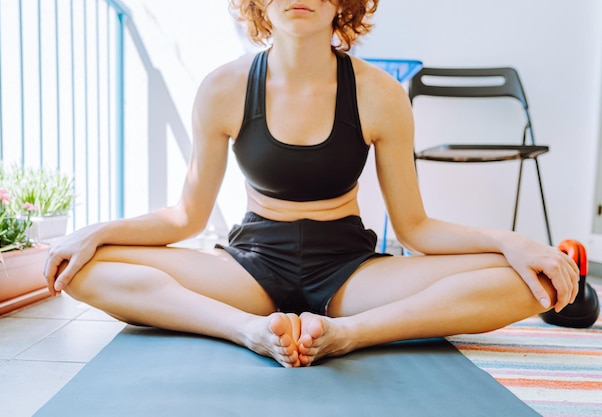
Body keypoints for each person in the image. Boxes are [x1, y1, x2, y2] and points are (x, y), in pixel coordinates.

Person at [44, 0, 579, 368]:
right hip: (250, 268)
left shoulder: (380, 93)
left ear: (343, 3)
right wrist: (93, 232)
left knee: (520, 281)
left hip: (348, 270)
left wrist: (513, 241)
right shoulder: (224, 87)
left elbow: (416, 228)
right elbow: (184, 216)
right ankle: (247, 331)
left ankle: (348, 336)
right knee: (80, 268)